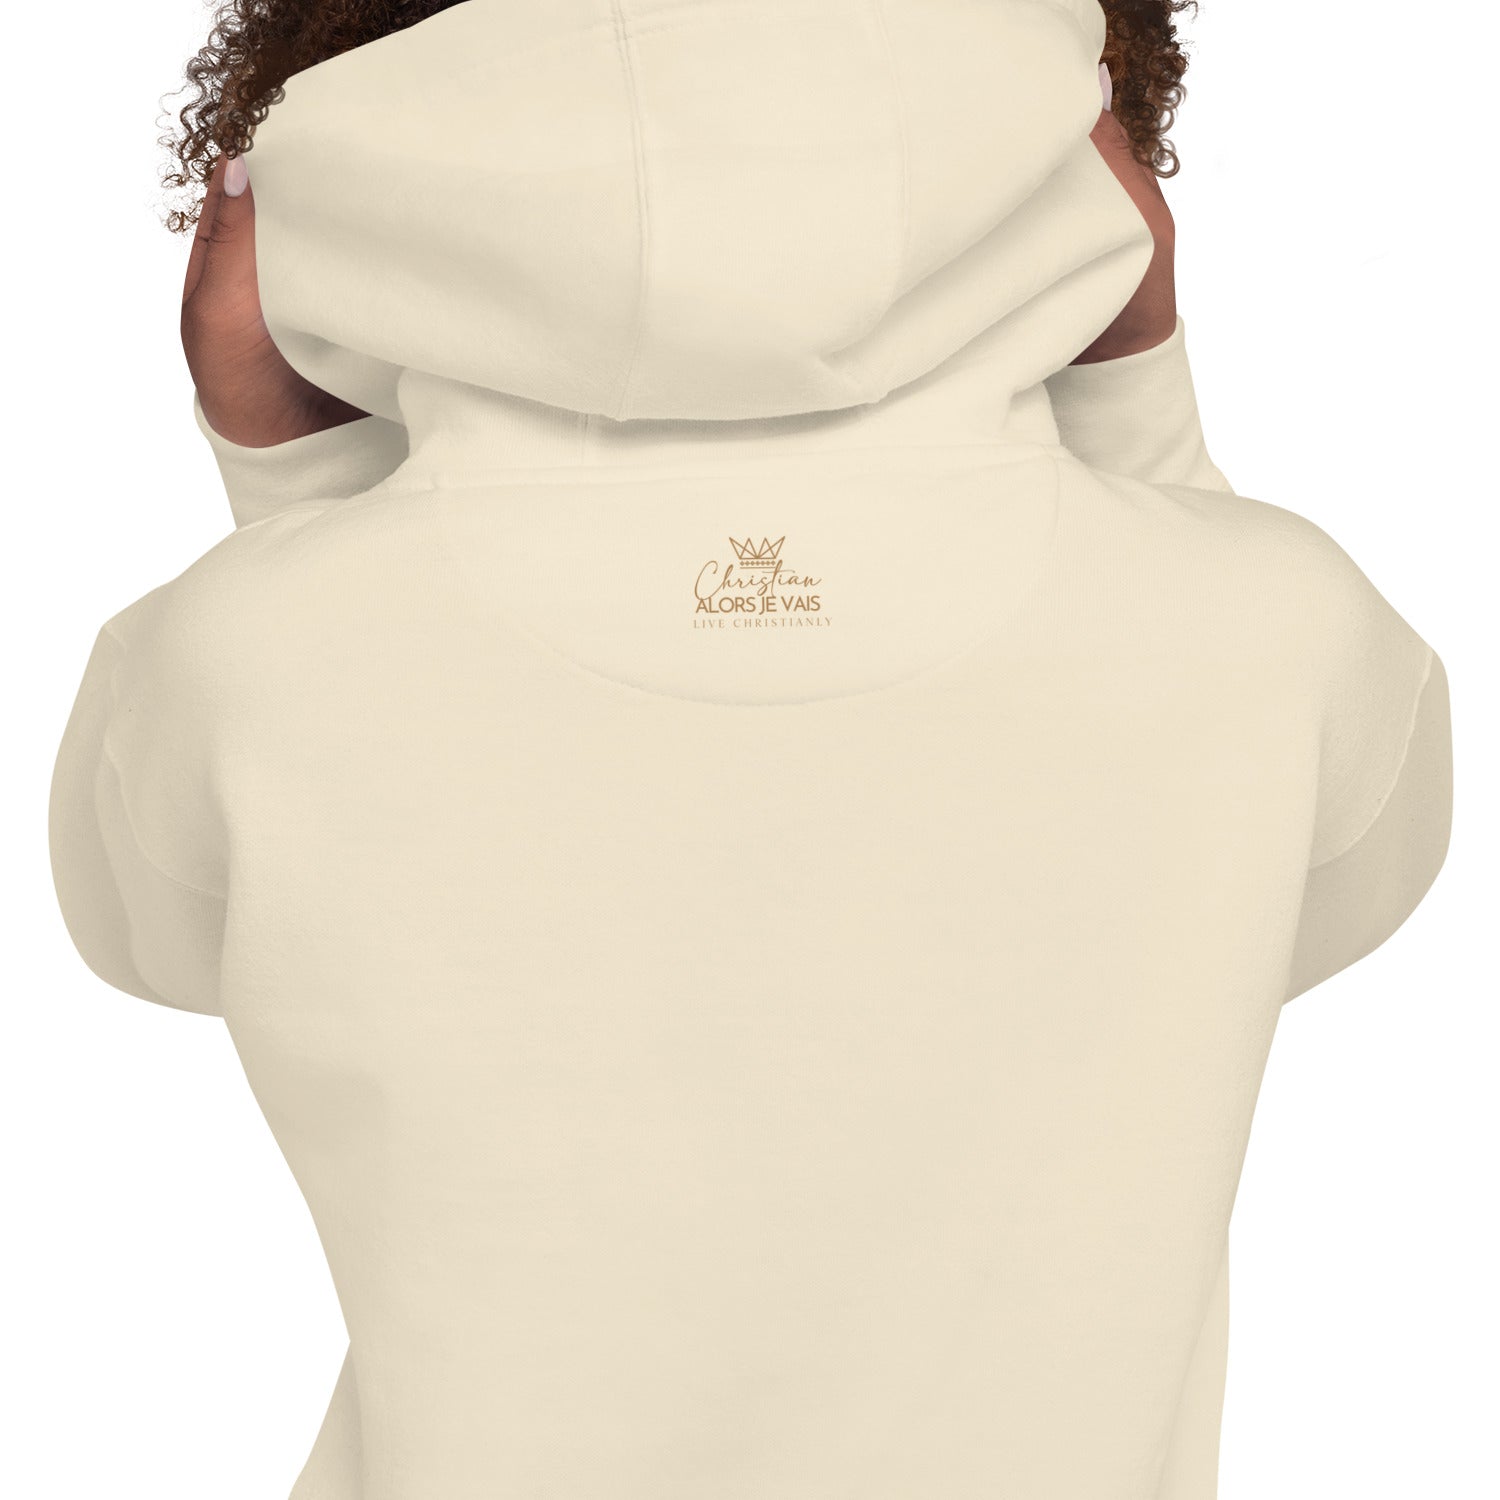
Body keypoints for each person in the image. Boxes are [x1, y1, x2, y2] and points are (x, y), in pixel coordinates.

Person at [48, 2, 1453, 1497]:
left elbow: (179, 939)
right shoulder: (1276, 628)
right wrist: (1139, 413)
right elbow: (1296, 895)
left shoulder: (229, 663)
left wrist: (304, 499)